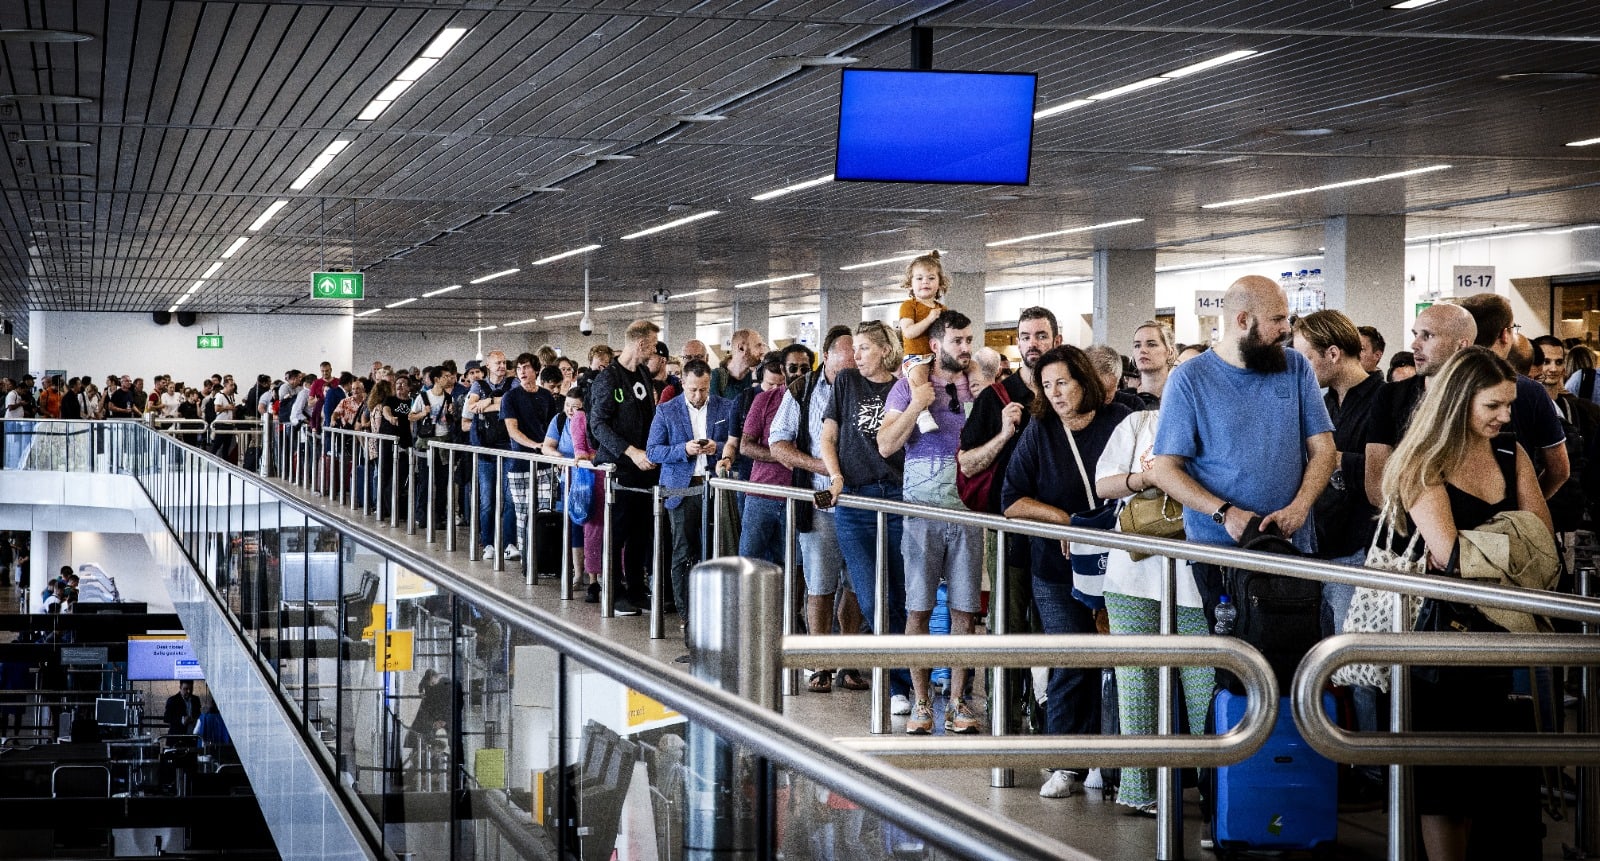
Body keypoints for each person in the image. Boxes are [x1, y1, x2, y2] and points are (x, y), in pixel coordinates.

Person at [1378, 347, 1551, 861]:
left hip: (1503, 641)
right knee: (1446, 787)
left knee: (1498, 784)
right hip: (1442, 648)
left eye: (1509, 405)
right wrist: (1508, 541)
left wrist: (1489, 547)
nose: (1506, 417)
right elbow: (1453, 557)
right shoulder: (1421, 461)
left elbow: (1541, 542)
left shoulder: (1509, 451)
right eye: (1493, 406)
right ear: (1458, 401)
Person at [1149, 274, 1336, 621]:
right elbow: (1165, 469)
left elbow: (1324, 450)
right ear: (1242, 321)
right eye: (1278, 319)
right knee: (1235, 660)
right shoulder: (1190, 380)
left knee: (1300, 657)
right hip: (1221, 553)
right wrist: (1225, 513)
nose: (1287, 329)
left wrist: (1300, 506)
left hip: (1291, 545)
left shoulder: (1295, 368)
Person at [1003, 345, 1133, 797]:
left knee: (1117, 663)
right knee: (1069, 658)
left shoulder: (1121, 418)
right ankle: (1066, 763)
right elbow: (1012, 500)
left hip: (1118, 564)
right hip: (1056, 568)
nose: (1055, 393)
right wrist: (1066, 522)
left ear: (1084, 381)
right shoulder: (1040, 430)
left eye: (1063, 383)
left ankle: (1112, 762)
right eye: (1047, 385)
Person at [1093, 347, 1208, 814]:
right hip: (1133, 571)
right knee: (1136, 685)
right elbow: (1104, 485)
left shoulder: (1215, 429)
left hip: (1195, 575)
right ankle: (1138, 791)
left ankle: (1213, 793)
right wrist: (1147, 478)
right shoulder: (1136, 425)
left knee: (1202, 687)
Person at [877, 310, 984, 735]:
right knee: (918, 609)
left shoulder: (977, 385)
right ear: (936, 345)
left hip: (967, 512)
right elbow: (886, 444)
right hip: (921, 512)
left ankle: (958, 701)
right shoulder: (910, 386)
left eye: (969, 339)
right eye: (957, 340)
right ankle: (922, 701)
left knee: (964, 612)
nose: (965, 347)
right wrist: (917, 405)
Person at [821, 320, 914, 715]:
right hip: (855, 500)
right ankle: (894, 679)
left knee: (901, 596)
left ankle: (905, 682)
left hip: (896, 497)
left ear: (883, 350)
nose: (855, 356)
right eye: (853, 349)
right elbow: (829, 436)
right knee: (872, 593)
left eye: (862, 348)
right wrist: (836, 475)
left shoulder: (903, 386)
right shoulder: (845, 384)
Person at [771, 326, 864, 692]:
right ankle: (820, 663)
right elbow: (778, 443)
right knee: (820, 585)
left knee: (857, 586)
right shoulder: (802, 391)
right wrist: (819, 465)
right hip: (821, 500)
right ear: (825, 358)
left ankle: (848, 660)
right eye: (842, 370)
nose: (848, 378)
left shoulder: (866, 385)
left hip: (859, 503)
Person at [1364, 303, 1478, 507]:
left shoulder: (1485, 400)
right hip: (1406, 526)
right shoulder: (1390, 396)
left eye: (1428, 336)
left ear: (1461, 346)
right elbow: (1376, 484)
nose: (1414, 345)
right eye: (1415, 334)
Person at [646, 360, 734, 622]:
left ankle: (716, 612)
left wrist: (715, 448)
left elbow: (734, 445)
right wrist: (683, 450)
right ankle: (687, 616)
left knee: (717, 547)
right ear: (682, 383)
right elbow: (653, 451)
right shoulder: (666, 411)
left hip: (714, 485)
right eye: (693, 389)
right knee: (683, 550)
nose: (698, 395)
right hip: (681, 487)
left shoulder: (725, 407)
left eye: (704, 389)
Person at [1459, 292, 1569, 500]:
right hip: (1509, 512)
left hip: (1450, 512)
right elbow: (1559, 469)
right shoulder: (1531, 391)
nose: (1503, 417)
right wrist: (1527, 503)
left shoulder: (1444, 386)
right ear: (1505, 334)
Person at [589, 320, 663, 617]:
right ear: (641, 343)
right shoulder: (608, 380)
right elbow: (598, 425)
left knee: (641, 531)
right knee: (617, 531)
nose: (656, 350)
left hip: (646, 467)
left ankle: (635, 587)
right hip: (621, 466)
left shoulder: (644, 373)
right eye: (654, 344)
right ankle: (614, 590)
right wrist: (630, 452)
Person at [735, 359, 793, 566]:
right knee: (749, 563)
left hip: (796, 496)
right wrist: (783, 456)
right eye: (792, 368)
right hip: (761, 493)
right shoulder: (763, 400)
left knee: (791, 565)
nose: (797, 374)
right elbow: (745, 446)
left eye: (803, 369)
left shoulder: (812, 401)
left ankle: (786, 601)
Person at [502, 353, 559, 560]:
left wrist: (550, 449)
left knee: (545, 511)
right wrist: (535, 445)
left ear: (535, 370)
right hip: (520, 464)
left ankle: (542, 554)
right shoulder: (511, 397)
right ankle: (527, 555)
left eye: (526, 367)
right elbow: (512, 430)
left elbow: (553, 427)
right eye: (518, 369)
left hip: (545, 463)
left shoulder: (545, 396)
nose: (522, 372)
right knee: (523, 514)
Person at [467, 350, 519, 560]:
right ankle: (488, 542)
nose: (501, 366)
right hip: (486, 449)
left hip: (509, 446)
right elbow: (471, 407)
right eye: (497, 363)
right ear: (488, 365)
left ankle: (509, 542)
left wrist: (488, 402)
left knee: (510, 499)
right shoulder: (478, 385)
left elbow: (513, 405)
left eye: (504, 362)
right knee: (487, 499)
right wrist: (498, 403)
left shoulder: (513, 383)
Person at [895, 251, 951, 434]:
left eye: (930, 278)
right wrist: (929, 319)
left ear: (939, 283)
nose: (925, 282)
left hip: (937, 357)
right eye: (919, 278)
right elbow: (909, 332)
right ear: (910, 283)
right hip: (916, 357)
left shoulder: (943, 309)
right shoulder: (909, 306)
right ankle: (922, 413)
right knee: (918, 377)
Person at [1130, 320, 1178, 403]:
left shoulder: (1181, 397)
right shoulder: (1124, 399)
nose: (1142, 350)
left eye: (1151, 344)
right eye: (1137, 345)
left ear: (1170, 352)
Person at [712, 329, 765, 400]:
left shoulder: (757, 377)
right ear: (741, 348)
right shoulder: (715, 377)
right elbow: (714, 408)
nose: (762, 351)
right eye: (758, 346)